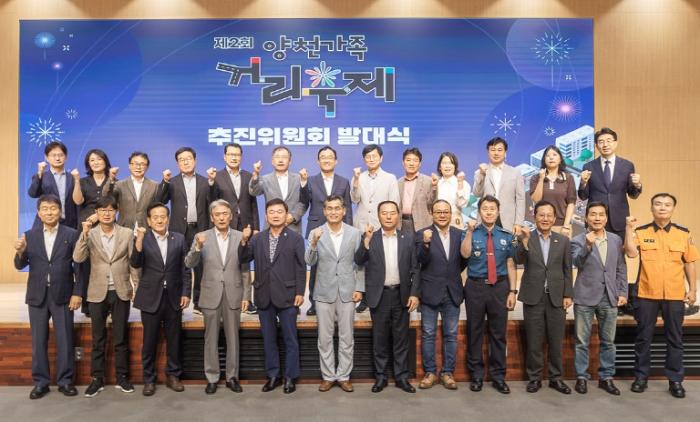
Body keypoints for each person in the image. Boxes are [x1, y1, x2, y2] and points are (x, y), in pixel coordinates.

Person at [624, 193, 697, 399]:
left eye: (667, 205)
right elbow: (631, 253)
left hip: (674, 295)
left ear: (673, 209)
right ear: (651, 208)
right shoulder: (641, 231)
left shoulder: (683, 233)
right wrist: (628, 229)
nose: (662, 208)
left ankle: (675, 380)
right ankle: (641, 378)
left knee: (675, 338)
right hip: (646, 294)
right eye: (658, 204)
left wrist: (692, 289)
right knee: (643, 338)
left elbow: (689, 263)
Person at [14, 195, 81, 399]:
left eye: (53, 208)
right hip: (37, 295)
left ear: (60, 211)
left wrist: (77, 293)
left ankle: (65, 381)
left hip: (63, 294)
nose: (49, 212)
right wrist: (20, 252)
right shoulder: (30, 235)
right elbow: (19, 265)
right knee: (38, 341)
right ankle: (41, 382)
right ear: (38, 212)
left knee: (65, 340)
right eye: (45, 208)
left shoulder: (71, 234)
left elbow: (80, 267)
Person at [73, 195, 138, 397]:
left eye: (110, 210)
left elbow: (133, 262)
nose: (107, 214)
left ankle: (122, 377)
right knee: (98, 339)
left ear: (116, 211)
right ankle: (97, 379)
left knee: (121, 338)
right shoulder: (90, 234)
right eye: (102, 210)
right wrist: (84, 234)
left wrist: (136, 285)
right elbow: (78, 257)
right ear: (96, 213)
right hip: (97, 291)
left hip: (120, 290)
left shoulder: (127, 233)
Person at [239, 198, 306, 394]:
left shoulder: (295, 238)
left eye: (279, 212)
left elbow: (301, 267)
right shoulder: (257, 239)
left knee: (290, 339)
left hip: (288, 296)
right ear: (266, 216)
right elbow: (244, 258)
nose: (275, 215)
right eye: (271, 212)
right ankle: (273, 376)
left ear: (286, 215)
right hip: (264, 295)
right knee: (269, 340)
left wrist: (300, 292)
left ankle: (290, 378)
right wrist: (243, 241)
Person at [185, 199, 251, 394]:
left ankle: (232, 377)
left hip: (234, 293)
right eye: (217, 215)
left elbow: (245, 269)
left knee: (233, 338)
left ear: (231, 216)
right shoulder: (201, 237)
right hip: (210, 293)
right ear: (212, 218)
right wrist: (197, 247)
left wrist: (247, 295)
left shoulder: (240, 236)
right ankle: (212, 377)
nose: (221, 217)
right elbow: (189, 263)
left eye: (225, 214)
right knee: (210, 339)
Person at [355, 200, 420, 394]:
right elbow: (358, 260)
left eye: (392, 213)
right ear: (378, 215)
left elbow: (416, 268)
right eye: (384, 213)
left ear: (398, 215)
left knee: (401, 339)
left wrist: (414, 294)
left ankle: (401, 377)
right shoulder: (370, 237)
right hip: (379, 295)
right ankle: (381, 377)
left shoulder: (408, 238)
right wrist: (365, 242)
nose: (389, 216)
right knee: (380, 339)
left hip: (402, 294)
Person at [131, 203, 192, 396]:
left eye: (163, 216)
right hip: (150, 297)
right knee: (149, 341)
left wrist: (186, 292)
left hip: (174, 297)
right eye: (155, 217)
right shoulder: (143, 238)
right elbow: (135, 263)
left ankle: (173, 376)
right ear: (149, 221)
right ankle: (149, 379)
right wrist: (138, 241)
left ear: (168, 219)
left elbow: (185, 269)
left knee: (174, 340)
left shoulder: (179, 238)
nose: (159, 220)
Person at [460, 195, 517, 394]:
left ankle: (498, 376)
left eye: (493, 208)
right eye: (485, 208)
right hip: (475, 287)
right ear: (479, 211)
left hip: (500, 287)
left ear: (498, 211)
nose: (489, 212)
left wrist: (513, 291)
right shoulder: (470, 232)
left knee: (498, 334)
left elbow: (511, 264)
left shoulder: (507, 235)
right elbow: (465, 254)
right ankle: (476, 375)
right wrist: (469, 232)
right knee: (474, 332)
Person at [305, 195, 362, 393]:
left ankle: (344, 376)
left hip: (347, 291)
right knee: (324, 338)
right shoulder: (315, 232)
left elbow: (360, 264)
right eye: (329, 208)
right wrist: (314, 243)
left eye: (337, 208)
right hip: (323, 291)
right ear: (324, 211)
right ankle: (328, 376)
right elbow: (309, 261)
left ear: (344, 211)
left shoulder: (354, 233)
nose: (333, 212)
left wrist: (359, 288)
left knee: (347, 337)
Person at [516, 200, 573, 395]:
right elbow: (517, 259)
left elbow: (567, 269)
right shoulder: (525, 237)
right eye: (541, 215)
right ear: (535, 217)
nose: (545, 218)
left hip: (556, 297)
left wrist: (568, 293)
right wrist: (524, 243)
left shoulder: (563, 241)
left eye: (549, 215)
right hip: (533, 296)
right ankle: (534, 378)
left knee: (556, 341)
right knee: (534, 340)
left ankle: (556, 378)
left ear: (555, 218)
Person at [571, 201, 627, 395]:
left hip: (609, 296)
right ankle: (581, 377)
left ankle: (606, 378)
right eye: (593, 214)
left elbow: (621, 268)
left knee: (608, 342)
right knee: (581, 341)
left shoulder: (616, 240)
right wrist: (587, 245)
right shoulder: (578, 240)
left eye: (601, 214)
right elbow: (576, 262)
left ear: (606, 218)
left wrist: (623, 292)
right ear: (586, 218)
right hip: (584, 296)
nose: (597, 218)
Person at [415, 199, 466, 390]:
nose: (442, 215)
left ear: (451, 214)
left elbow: (463, 261)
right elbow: (419, 260)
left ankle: (447, 373)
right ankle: (430, 373)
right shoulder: (422, 234)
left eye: (446, 212)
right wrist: (426, 244)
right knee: (428, 334)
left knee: (451, 334)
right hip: (429, 292)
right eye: (438, 212)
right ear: (432, 214)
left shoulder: (459, 234)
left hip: (453, 291)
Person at [158, 147, 214, 313]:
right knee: (179, 266)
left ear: (195, 160)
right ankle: (178, 301)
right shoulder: (172, 182)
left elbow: (213, 201)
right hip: (179, 230)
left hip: (200, 229)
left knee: (201, 266)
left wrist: (212, 183)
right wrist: (164, 182)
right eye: (181, 159)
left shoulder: (205, 181)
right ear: (177, 163)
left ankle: (199, 302)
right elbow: (160, 200)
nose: (185, 162)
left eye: (188, 158)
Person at [210, 142, 259, 315]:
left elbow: (253, 204)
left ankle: (247, 300)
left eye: (237, 155)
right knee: (224, 264)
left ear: (241, 157)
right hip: (225, 226)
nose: (234, 157)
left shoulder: (248, 176)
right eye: (231, 154)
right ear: (225, 157)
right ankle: (224, 299)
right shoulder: (217, 176)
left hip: (245, 226)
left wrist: (255, 227)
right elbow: (212, 202)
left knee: (245, 264)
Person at [304, 146, 352, 316]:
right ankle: (313, 302)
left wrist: (349, 229)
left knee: (339, 266)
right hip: (317, 228)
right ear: (318, 161)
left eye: (330, 157)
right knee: (316, 267)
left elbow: (347, 207)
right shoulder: (310, 180)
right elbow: (304, 201)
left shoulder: (344, 181)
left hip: (339, 228)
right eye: (323, 157)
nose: (326, 159)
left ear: (336, 161)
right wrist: (303, 184)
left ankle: (339, 300)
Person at [351, 145, 400, 313]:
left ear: (381, 158)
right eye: (368, 157)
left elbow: (394, 202)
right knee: (361, 261)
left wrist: (389, 223)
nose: (371, 159)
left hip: (381, 225)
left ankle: (376, 293)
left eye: (374, 156)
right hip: (362, 224)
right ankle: (363, 296)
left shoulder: (390, 178)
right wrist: (355, 180)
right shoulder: (359, 177)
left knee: (378, 261)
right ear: (364, 159)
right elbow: (354, 199)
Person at [72, 149, 116, 316]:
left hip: (107, 224)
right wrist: (76, 181)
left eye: (99, 159)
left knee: (105, 264)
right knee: (85, 266)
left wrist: (98, 215)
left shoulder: (113, 180)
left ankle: (107, 304)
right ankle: (88, 305)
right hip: (86, 226)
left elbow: (115, 203)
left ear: (105, 161)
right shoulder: (83, 181)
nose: (96, 162)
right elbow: (78, 201)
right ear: (88, 164)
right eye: (92, 160)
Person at [578, 127, 642, 240]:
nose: (605, 145)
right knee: (594, 251)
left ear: (615, 143)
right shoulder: (589, 166)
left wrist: (637, 185)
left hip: (619, 220)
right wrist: (583, 183)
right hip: (596, 220)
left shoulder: (627, 166)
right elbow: (583, 196)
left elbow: (633, 195)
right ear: (596, 145)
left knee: (619, 250)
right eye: (601, 142)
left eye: (609, 141)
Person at [249, 146, 309, 233]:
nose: (280, 160)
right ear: (272, 161)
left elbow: (304, 202)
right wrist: (256, 174)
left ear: (290, 161)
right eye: (277, 157)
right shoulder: (265, 179)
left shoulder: (299, 178)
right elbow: (253, 192)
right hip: (270, 229)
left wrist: (293, 216)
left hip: (292, 228)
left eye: (284, 157)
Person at [472, 137, 526, 234]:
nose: (496, 153)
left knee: (511, 243)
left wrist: (518, 223)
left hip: (508, 221)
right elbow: (477, 193)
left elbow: (520, 199)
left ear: (505, 153)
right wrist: (482, 175)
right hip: (486, 218)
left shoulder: (515, 173)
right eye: (493, 150)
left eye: (499, 150)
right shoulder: (480, 172)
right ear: (488, 152)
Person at [28, 141, 79, 229]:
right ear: (46, 158)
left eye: (60, 155)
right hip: (46, 223)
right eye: (53, 155)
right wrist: (39, 174)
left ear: (66, 157)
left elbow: (77, 204)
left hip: (69, 224)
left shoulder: (73, 177)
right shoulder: (41, 176)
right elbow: (33, 194)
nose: (57, 158)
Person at [529, 145, 577, 237]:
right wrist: (541, 179)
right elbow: (536, 199)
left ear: (560, 159)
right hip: (542, 225)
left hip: (562, 226)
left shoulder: (568, 178)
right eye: (548, 155)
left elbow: (571, 203)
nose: (551, 158)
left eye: (554, 155)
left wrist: (566, 226)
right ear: (544, 160)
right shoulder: (536, 178)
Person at [111, 151, 160, 231]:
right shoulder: (119, 184)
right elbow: (106, 196)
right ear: (129, 166)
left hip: (146, 229)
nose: (138, 167)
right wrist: (110, 179)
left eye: (142, 164)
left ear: (147, 167)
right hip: (124, 229)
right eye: (135, 164)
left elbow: (157, 208)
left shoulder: (154, 185)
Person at [398, 147, 436, 234]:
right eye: (408, 160)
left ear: (419, 164)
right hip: (402, 224)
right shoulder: (397, 183)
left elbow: (432, 204)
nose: (411, 163)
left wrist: (434, 188)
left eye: (415, 160)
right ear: (403, 163)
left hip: (423, 224)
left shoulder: (428, 181)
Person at [435, 152, 470, 229]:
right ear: (440, 167)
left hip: (455, 222)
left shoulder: (464, 183)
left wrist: (460, 185)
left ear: (455, 166)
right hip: (437, 222)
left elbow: (462, 204)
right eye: (444, 163)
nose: (447, 166)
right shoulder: (436, 184)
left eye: (450, 163)